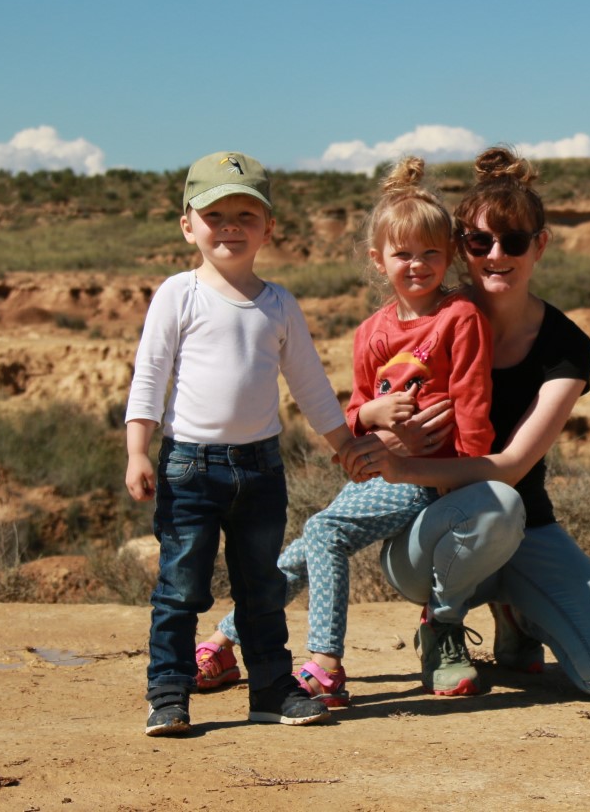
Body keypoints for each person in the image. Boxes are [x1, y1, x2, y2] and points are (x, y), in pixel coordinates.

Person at [351, 146, 590, 703]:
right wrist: (379, 436)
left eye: (514, 241)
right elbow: (363, 414)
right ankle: (442, 624)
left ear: (540, 244)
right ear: (458, 247)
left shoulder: (565, 346)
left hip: (523, 523)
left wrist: (399, 465)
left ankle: (517, 612)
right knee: (494, 507)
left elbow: (514, 467)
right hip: (430, 533)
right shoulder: (425, 321)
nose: (497, 254)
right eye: (479, 241)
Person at [195, 156, 493, 707]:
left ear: (449, 256)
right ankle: (222, 641)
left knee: (324, 534)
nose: (418, 265)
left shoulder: (460, 318)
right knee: (307, 549)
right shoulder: (372, 331)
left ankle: (326, 664)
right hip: (378, 467)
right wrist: (369, 420)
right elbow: (356, 407)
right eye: (403, 254)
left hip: (426, 475)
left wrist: (465, 482)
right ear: (378, 261)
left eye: (431, 253)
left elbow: (473, 403)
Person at [124, 150, 356, 737]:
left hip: (260, 470)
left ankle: (272, 690)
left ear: (268, 228)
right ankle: (169, 695)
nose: (230, 226)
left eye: (245, 216)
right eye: (215, 214)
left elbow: (309, 384)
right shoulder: (178, 295)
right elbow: (150, 375)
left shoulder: (278, 303)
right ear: (187, 225)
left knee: (263, 588)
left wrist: (344, 445)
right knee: (180, 589)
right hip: (188, 467)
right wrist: (137, 449)